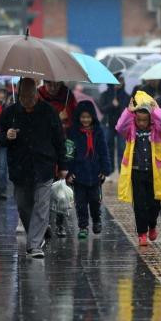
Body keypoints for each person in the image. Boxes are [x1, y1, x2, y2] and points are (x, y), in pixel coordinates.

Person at [0, 78, 68, 259]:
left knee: (42, 206)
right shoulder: (10, 113)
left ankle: (34, 245)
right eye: (24, 96)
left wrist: (63, 166)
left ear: (36, 93)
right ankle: (40, 231)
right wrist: (7, 136)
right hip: (20, 168)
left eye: (31, 95)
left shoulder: (49, 112)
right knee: (23, 205)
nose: (27, 99)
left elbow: (60, 140)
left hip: (44, 166)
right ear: (19, 95)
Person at [115, 91, 161, 246]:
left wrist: (156, 110)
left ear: (150, 119)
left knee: (154, 204)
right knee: (139, 205)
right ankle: (142, 233)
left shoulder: (157, 131)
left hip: (154, 173)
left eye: (144, 120)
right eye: (138, 120)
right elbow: (120, 127)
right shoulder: (131, 131)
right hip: (136, 172)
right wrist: (128, 111)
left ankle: (152, 225)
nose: (141, 123)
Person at [66, 101, 112, 239]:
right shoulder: (72, 132)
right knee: (80, 203)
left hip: (95, 174)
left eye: (88, 117)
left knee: (94, 201)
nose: (85, 120)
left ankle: (97, 220)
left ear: (93, 117)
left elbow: (104, 151)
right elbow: (69, 154)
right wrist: (69, 172)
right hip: (79, 175)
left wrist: (105, 170)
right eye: (82, 117)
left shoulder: (98, 132)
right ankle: (83, 226)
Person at [38, 80, 77, 237]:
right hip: (45, 147)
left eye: (56, 85)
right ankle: (45, 223)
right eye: (49, 84)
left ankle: (60, 223)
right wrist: (55, 118)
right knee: (45, 187)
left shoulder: (68, 96)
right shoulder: (38, 95)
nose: (53, 88)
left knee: (62, 186)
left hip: (64, 148)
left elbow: (77, 120)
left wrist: (67, 121)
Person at [99, 73, 130, 174]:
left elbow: (128, 111)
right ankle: (110, 169)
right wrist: (112, 105)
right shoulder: (105, 94)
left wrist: (119, 105)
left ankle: (122, 171)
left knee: (122, 148)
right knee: (108, 147)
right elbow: (102, 109)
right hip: (108, 125)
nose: (120, 83)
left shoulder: (126, 96)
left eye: (122, 80)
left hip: (122, 126)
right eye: (118, 80)